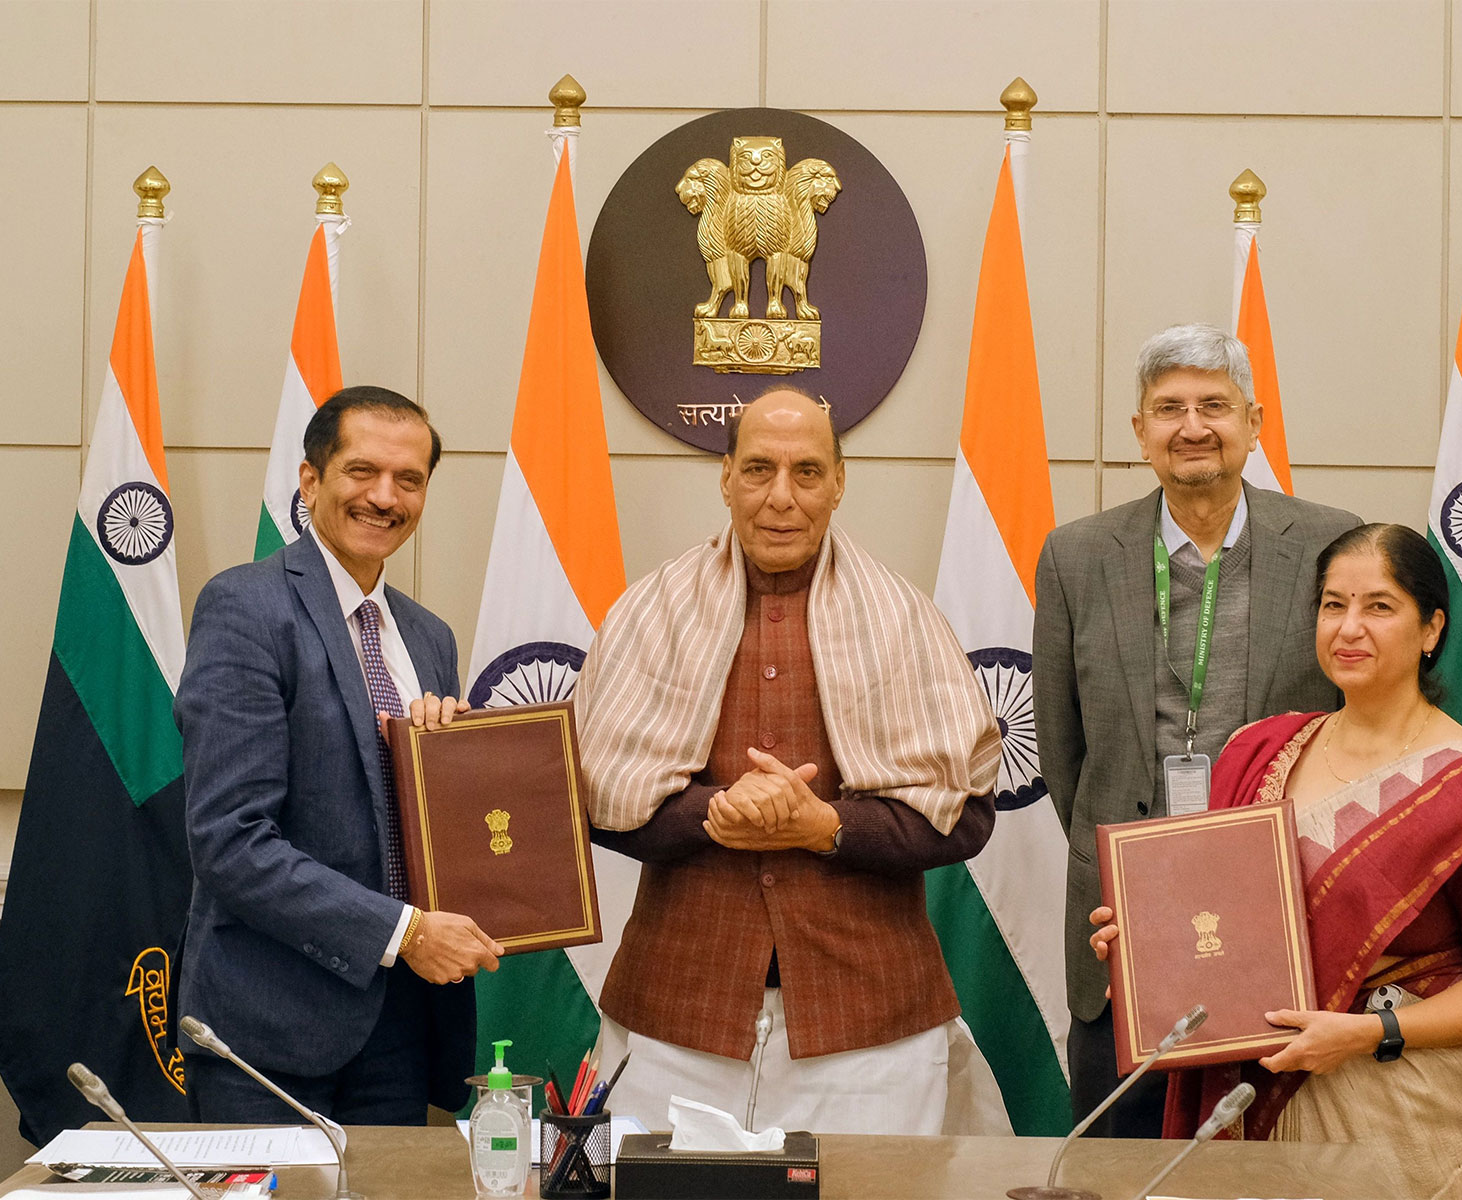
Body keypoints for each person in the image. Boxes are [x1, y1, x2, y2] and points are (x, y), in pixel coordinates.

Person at [1093, 523, 1462, 1199]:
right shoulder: (1263, 752)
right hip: (1260, 1107)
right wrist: (1148, 952)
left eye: (1379, 606)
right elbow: (1219, 923)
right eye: (1334, 605)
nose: (1349, 628)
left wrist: (1368, 1034)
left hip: (1406, 1115)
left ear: (1431, 628)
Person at [576, 388, 1002, 1135]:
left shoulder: (905, 618)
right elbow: (596, 798)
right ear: (725, 479)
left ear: (839, 481)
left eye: (806, 472)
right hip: (677, 1013)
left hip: (873, 1026)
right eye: (758, 470)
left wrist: (827, 826)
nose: (781, 497)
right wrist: (712, 816)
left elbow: (964, 817)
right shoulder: (651, 611)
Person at [1033, 323, 1360, 1136]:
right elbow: (1066, 752)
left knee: (1275, 1166)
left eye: (1214, 405)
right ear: (1140, 433)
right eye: (1168, 408)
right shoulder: (1076, 556)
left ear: (1254, 421)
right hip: (1125, 924)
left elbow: (1357, 717)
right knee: (1121, 1161)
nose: (1192, 427)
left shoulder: (1330, 544)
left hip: (1285, 914)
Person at [176, 386, 503, 1124]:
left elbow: (430, 830)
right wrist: (406, 933)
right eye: (362, 472)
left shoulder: (429, 638)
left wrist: (457, 769)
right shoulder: (246, 609)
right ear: (311, 480)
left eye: (409, 480)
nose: (385, 497)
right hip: (270, 1028)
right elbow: (229, 842)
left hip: (403, 1026)